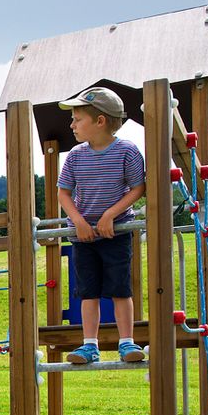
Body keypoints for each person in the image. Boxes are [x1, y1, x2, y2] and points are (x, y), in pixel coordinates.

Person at [56, 86, 147, 365]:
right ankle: (89, 345)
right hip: (83, 236)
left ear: (100, 121)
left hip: (116, 232)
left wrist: (110, 215)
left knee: (120, 288)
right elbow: (64, 193)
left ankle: (127, 342)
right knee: (88, 292)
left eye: (77, 119)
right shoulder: (75, 155)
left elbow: (138, 187)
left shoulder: (127, 151)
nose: (72, 125)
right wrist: (78, 221)